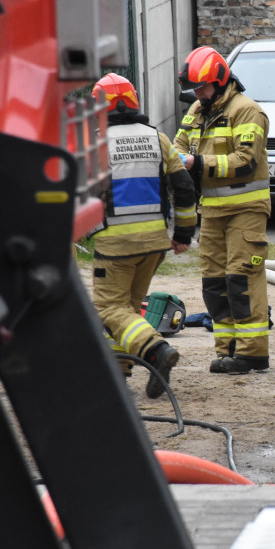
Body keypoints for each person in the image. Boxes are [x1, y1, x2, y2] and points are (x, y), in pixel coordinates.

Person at [89, 73, 198, 399]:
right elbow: (184, 186)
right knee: (128, 308)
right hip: (154, 244)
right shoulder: (158, 138)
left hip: (115, 244)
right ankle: (118, 374)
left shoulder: (95, 142)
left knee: (109, 309)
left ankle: (155, 351)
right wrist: (182, 233)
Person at [174, 46, 272, 375]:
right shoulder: (197, 110)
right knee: (214, 283)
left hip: (246, 208)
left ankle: (253, 353)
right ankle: (228, 349)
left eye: (202, 87)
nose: (197, 94)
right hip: (212, 212)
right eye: (194, 89)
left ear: (219, 81)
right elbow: (179, 145)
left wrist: (196, 162)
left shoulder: (247, 111)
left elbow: (246, 161)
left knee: (241, 278)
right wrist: (178, 160)